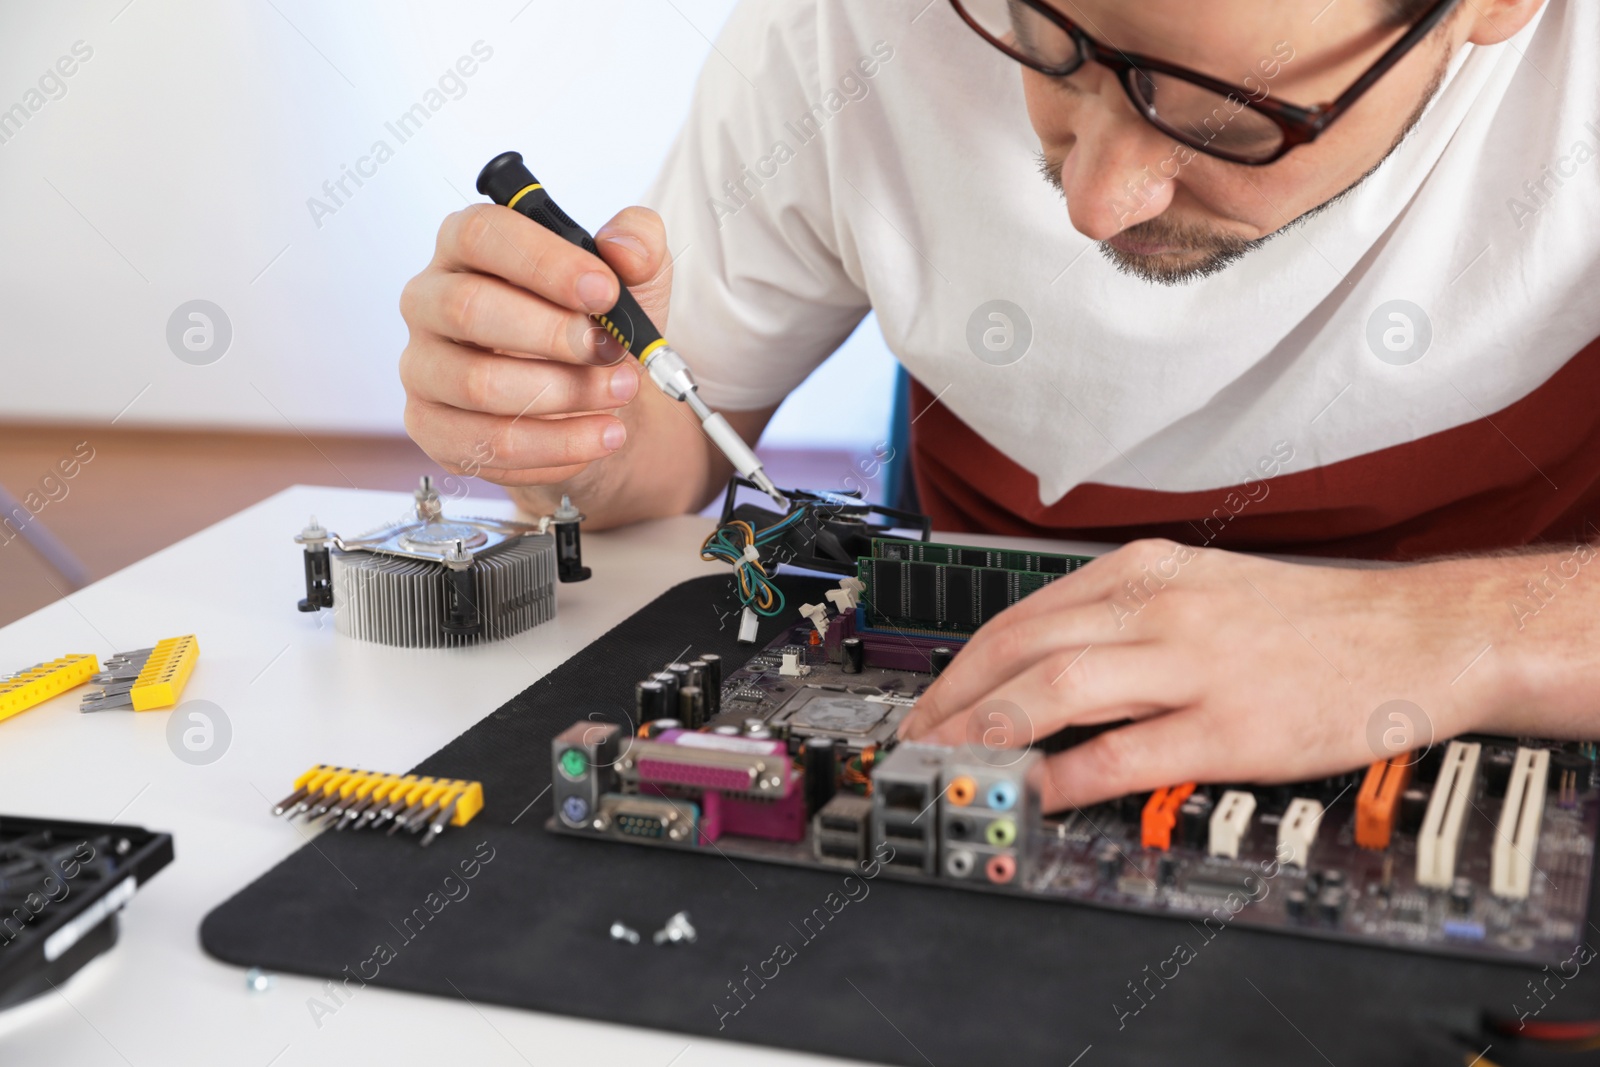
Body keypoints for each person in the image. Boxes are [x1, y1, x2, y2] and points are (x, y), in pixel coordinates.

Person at [399, 0, 1598, 810]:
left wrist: (1450, 632)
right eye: (1046, 42)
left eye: (1225, 121)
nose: (1095, 198)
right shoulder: (854, 33)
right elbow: (664, 449)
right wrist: (569, 422)